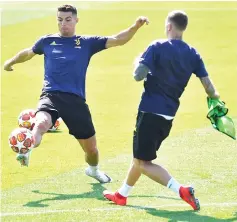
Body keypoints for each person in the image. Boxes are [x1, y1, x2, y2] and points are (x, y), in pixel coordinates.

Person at [3, 5, 149, 183]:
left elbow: (118, 40)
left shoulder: (87, 43)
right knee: (41, 123)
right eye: (59, 20)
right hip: (50, 95)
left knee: (91, 151)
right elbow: (28, 53)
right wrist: (10, 62)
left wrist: (135, 26)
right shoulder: (47, 41)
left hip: (75, 101)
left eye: (67, 20)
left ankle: (93, 170)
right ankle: (27, 148)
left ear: (76, 20)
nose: (63, 24)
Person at [103, 10, 221, 210]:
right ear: (183, 28)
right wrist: (217, 101)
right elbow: (209, 88)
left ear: (168, 26)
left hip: (149, 112)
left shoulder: (156, 47)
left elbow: (138, 76)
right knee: (140, 158)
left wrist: (138, 61)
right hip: (168, 116)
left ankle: (181, 190)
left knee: (143, 162)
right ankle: (121, 195)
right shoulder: (193, 54)